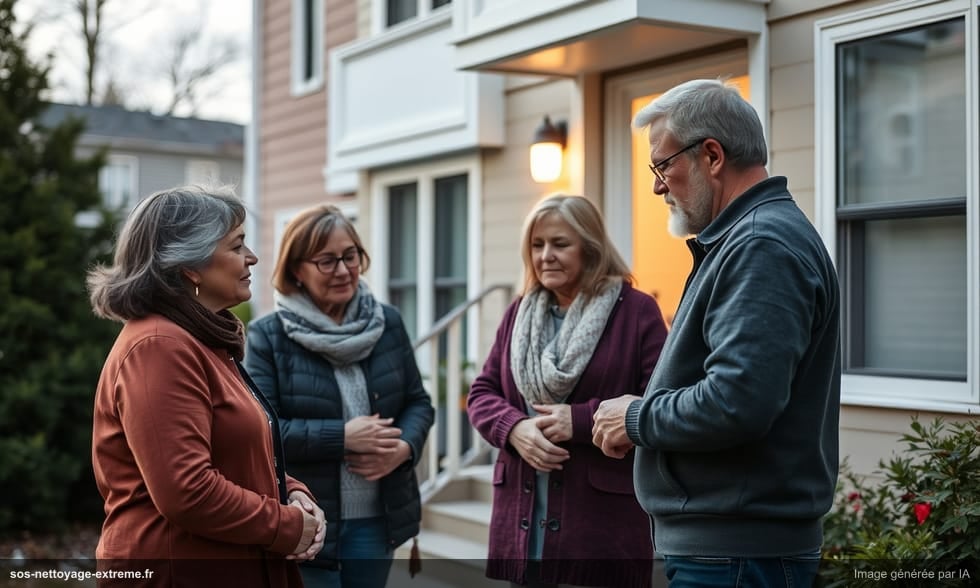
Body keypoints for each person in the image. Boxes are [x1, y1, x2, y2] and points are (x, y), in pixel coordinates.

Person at [592, 78, 842, 588]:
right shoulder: (749, 240)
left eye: (663, 166)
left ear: (711, 155)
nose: (657, 186)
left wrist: (635, 418)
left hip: (735, 558)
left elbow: (738, 400)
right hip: (733, 554)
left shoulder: (760, 245)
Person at [87, 185, 325, 587]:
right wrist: (285, 525)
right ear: (190, 267)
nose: (252, 258)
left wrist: (293, 492)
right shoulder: (159, 347)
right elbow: (188, 491)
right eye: (236, 246)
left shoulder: (203, 340)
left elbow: (240, 450)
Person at [467, 194, 669, 588]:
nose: (546, 256)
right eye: (537, 245)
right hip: (524, 525)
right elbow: (482, 393)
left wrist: (578, 420)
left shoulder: (636, 312)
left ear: (590, 248)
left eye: (560, 244)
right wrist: (514, 428)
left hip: (600, 528)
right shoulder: (519, 312)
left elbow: (660, 404)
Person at [244, 204, 434, 588]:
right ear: (297, 269)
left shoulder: (388, 322)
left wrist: (405, 449)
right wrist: (344, 436)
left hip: (378, 519)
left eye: (351, 256)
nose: (345, 270)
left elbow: (418, 402)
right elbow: (264, 432)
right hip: (309, 520)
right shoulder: (268, 336)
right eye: (327, 261)